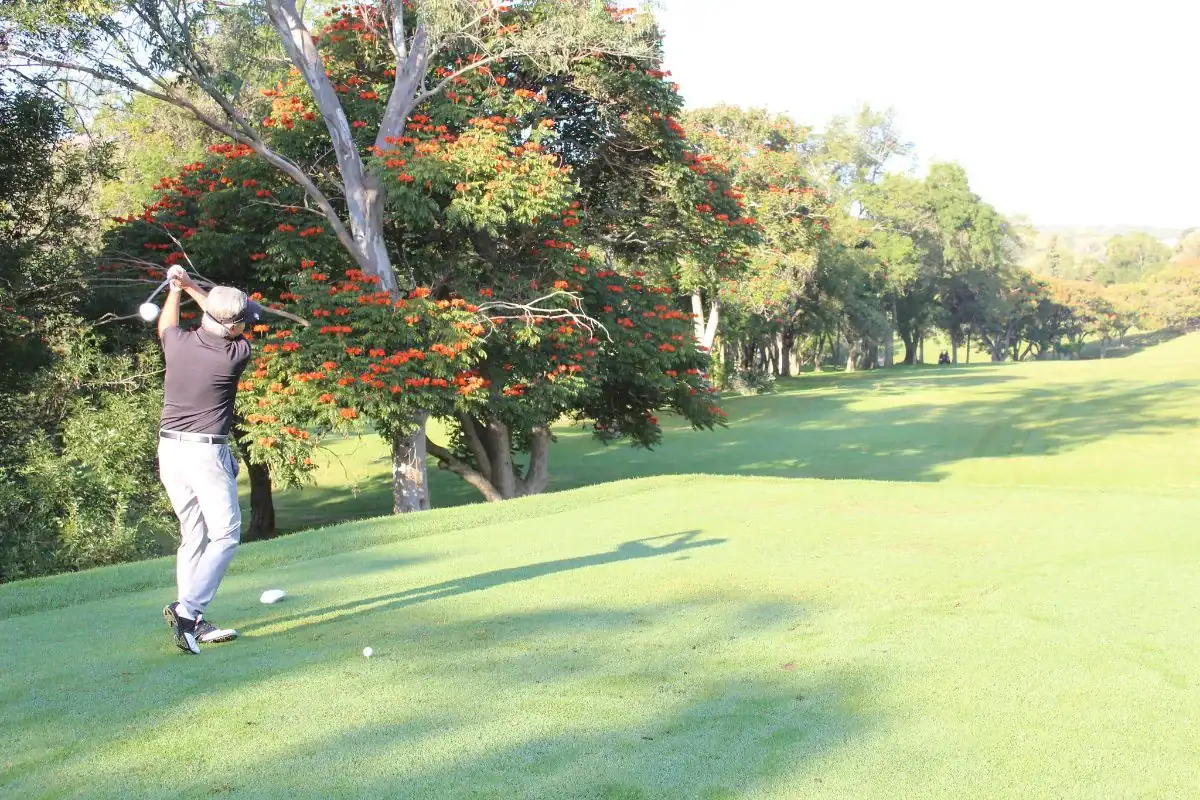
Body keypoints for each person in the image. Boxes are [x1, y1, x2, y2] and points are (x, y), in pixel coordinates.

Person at [156, 265, 262, 655]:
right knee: (226, 534)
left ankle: (193, 618)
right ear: (234, 327)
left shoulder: (178, 344)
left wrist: (177, 290)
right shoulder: (236, 353)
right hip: (204, 452)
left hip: (169, 450)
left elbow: (170, 325)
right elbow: (224, 321)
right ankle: (188, 611)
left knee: (194, 533)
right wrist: (191, 287)